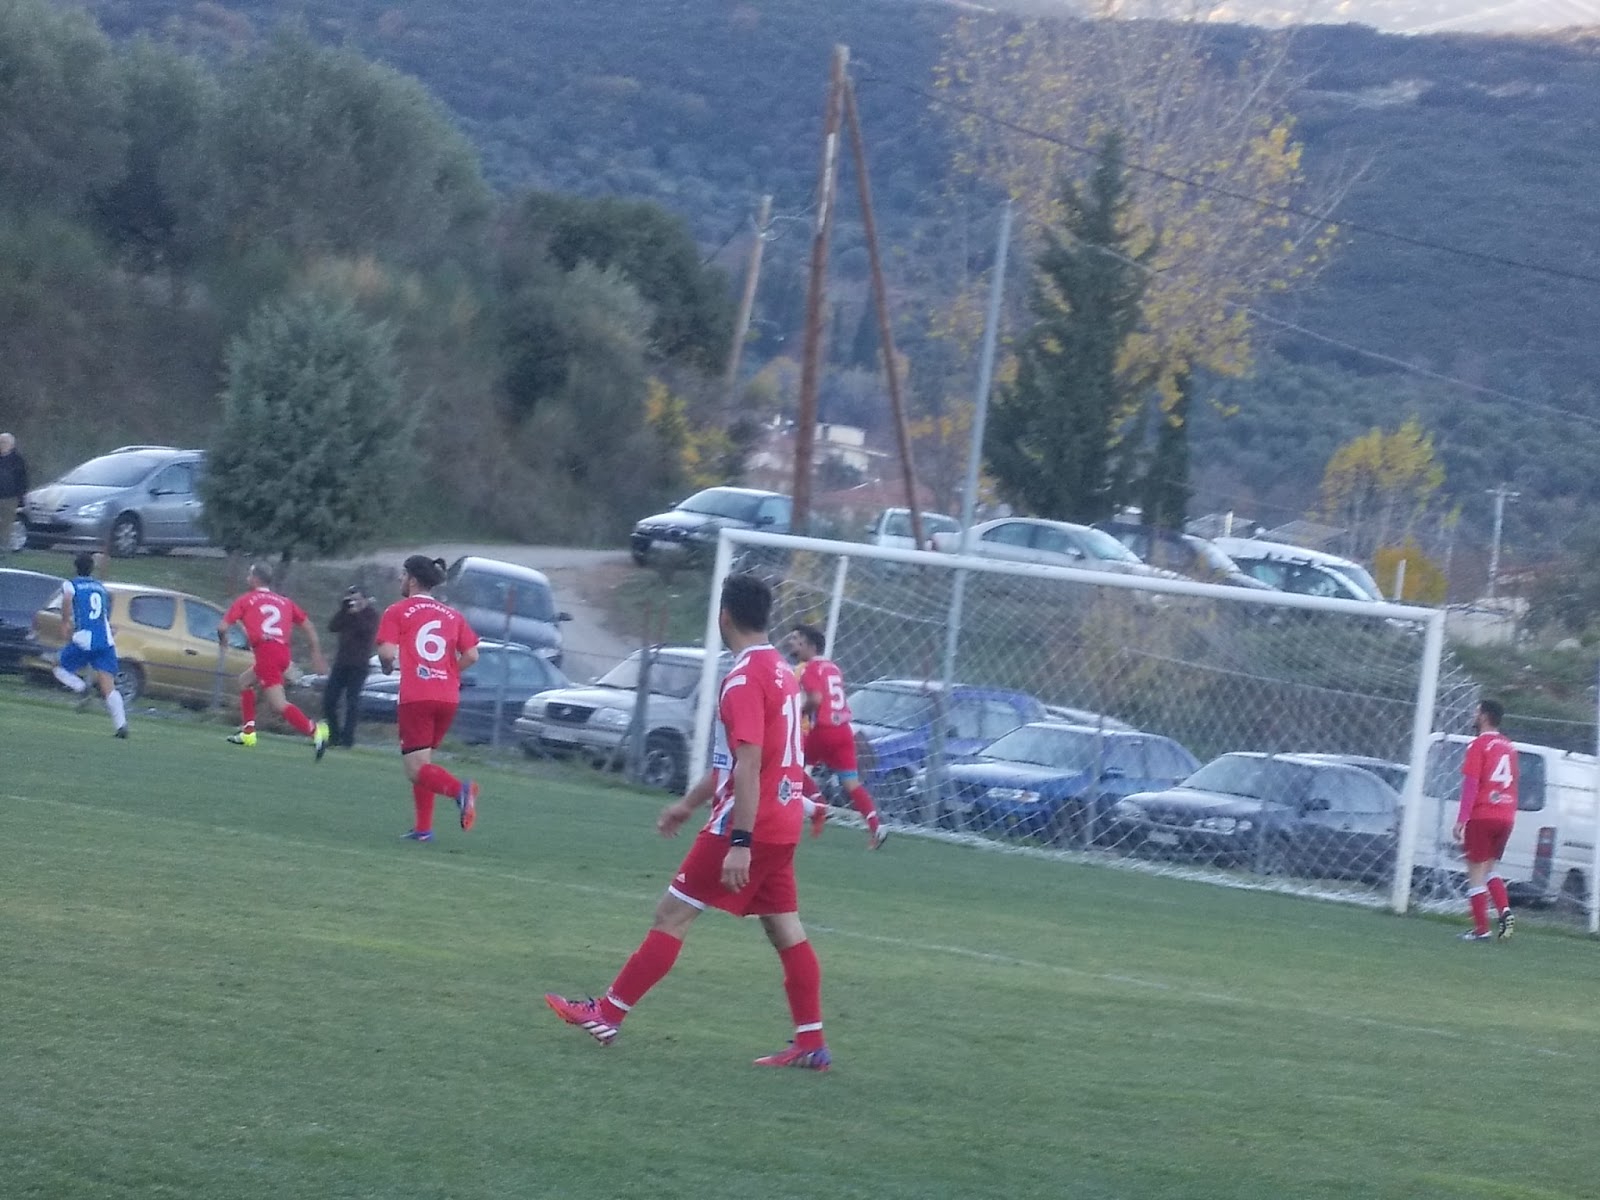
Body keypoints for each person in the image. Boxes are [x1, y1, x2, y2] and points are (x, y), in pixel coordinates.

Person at [545, 573, 831, 1071]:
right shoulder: (784, 672)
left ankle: (608, 1014)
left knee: (671, 915)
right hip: (783, 822)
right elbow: (736, 762)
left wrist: (740, 841)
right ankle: (812, 1043)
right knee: (785, 929)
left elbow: (747, 764)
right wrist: (686, 805)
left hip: (747, 825)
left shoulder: (743, 678)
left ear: (724, 616)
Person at [375, 555, 481, 842]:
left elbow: (386, 653)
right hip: (447, 697)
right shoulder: (453, 615)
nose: (400, 580)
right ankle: (423, 829)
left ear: (412, 579)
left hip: (417, 696)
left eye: (403, 575)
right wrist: (449, 673)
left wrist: (387, 667)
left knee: (416, 769)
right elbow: (472, 655)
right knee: (424, 763)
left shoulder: (397, 610)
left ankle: (460, 791)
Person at [785, 623, 887, 849]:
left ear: (810, 645)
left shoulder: (810, 669)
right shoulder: (833, 668)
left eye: (797, 640)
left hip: (824, 731)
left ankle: (818, 804)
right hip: (844, 731)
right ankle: (876, 826)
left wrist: (798, 712)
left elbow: (816, 699)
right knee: (851, 782)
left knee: (791, 765)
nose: (792, 644)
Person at [218, 562, 330, 755]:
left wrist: (223, 641)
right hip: (282, 652)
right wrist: (315, 653)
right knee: (245, 681)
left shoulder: (246, 599)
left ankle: (315, 731)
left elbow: (222, 627)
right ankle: (248, 732)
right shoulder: (284, 601)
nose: (247, 578)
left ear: (255, 579)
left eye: (249, 574)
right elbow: (308, 626)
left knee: (279, 704)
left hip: (266, 652)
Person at [1455, 698, 1519, 941]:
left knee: (1475, 872)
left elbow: (1471, 784)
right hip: (1506, 816)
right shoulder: (1509, 747)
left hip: (1483, 815)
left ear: (1483, 716)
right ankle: (1504, 910)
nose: (1474, 715)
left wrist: (1462, 819)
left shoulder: (1478, 745)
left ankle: (1481, 929)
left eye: (1476, 712)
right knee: (1490, 868)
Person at [50, 551, 128, 738]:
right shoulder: (100, 587)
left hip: (85, 638)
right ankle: (121, 726)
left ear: (75, 567)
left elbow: (67, 600)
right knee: (108, 686)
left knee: (57, 666)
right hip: (105, 640)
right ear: (91, 569)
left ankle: (81, 688)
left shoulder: (71, 584)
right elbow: (104, 610)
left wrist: (64, 622)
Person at [324, 585, 380, 748]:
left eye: (357, 599)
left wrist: (357, 613)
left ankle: (347, 739)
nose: (354, 602)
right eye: (351, 599)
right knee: (329, 700)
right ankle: (334, 735)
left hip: (359, 665)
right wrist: (343, 610)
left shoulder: (371, 615)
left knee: (352, 701)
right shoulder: (346, 613)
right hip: (341, 663)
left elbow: (367, 631)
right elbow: (332, 627)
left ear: (365, 600)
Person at [0, 432, 27, 556]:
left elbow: (22, 481)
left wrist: (20, 500)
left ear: (11, 445)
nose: (1, 445)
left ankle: (3, 548)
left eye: (3, 442)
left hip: (10, 498)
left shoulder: (18, 460)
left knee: (6, 524)